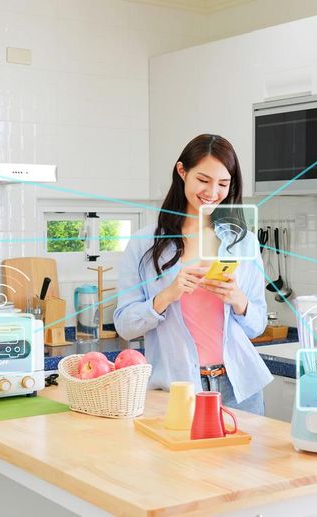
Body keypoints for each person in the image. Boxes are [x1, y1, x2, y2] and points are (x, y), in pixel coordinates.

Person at [113, 134, 272, 414]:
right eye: (203, 180)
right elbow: (125, 326)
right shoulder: (144, 243)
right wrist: (166, 296)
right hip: (178, 389)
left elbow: (257, 324)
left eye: (223, 183)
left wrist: (238, 300)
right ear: (182, 171)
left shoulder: (242, 241)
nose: (212, 192)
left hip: (240, 389)